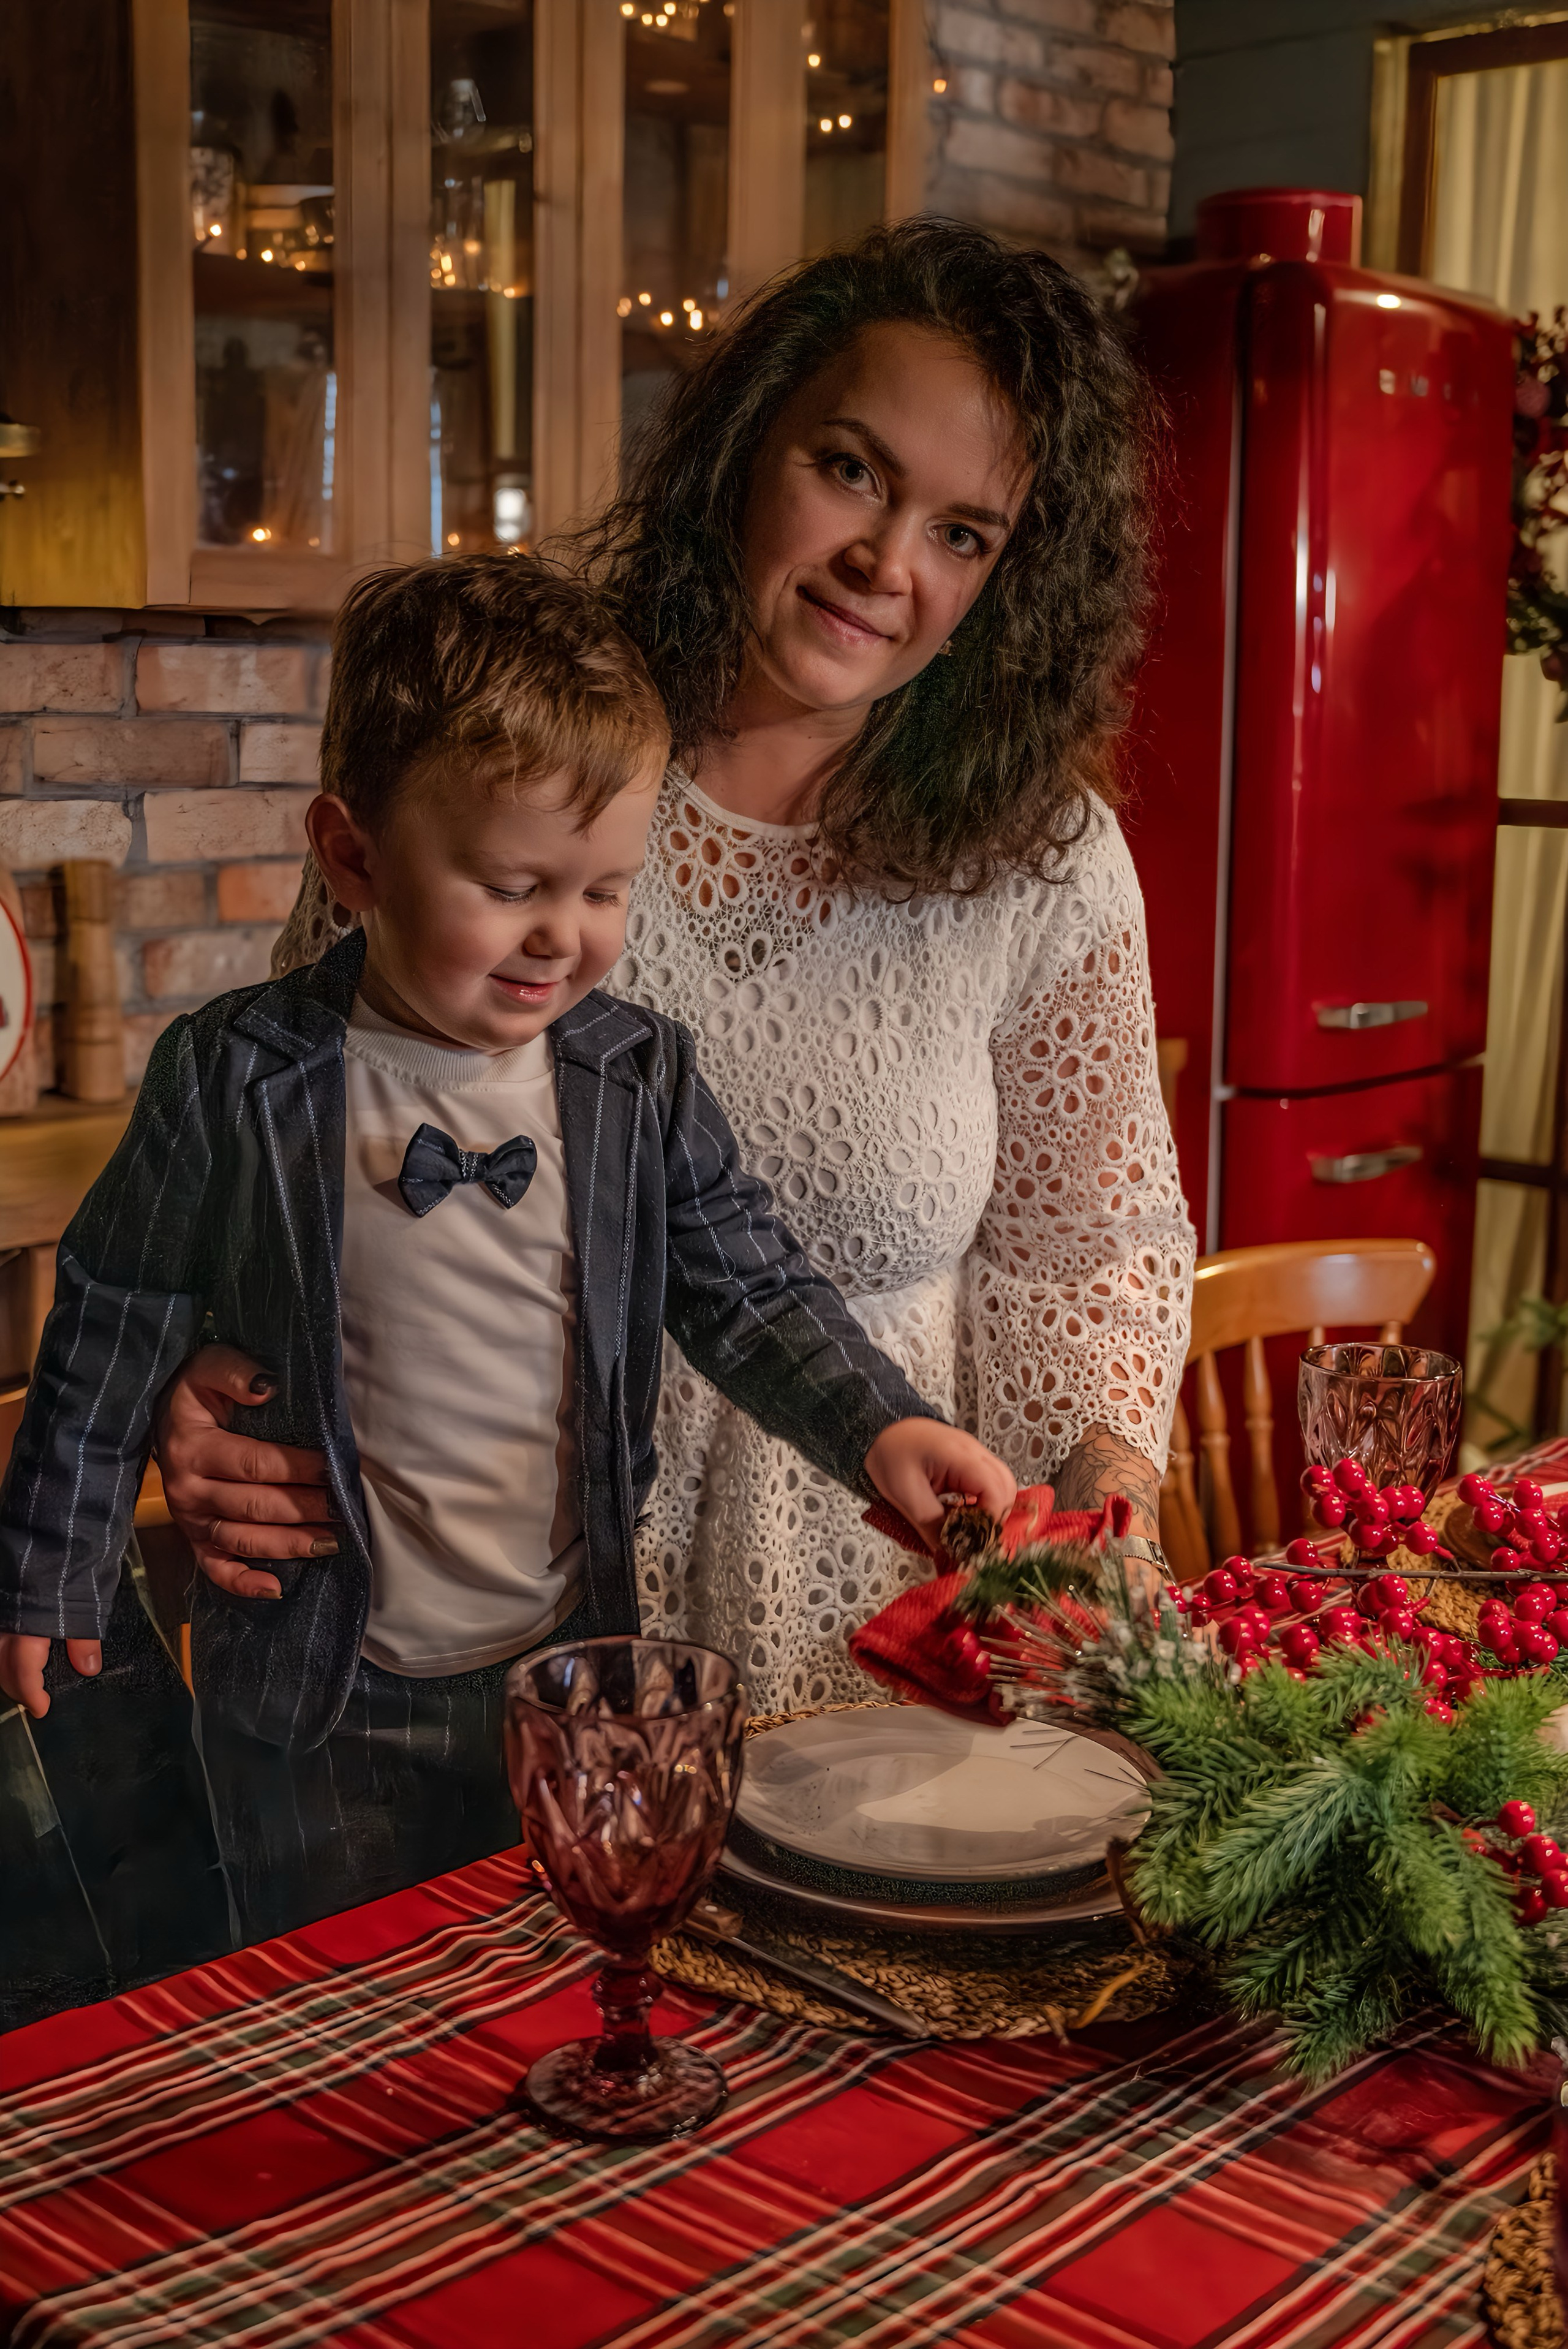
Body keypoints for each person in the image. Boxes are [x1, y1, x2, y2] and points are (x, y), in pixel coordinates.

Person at [154, 219, 1196, 1714]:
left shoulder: (1042, 857)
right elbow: (287, 1150)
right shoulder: (502, 740)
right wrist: (204, 1389)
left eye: (962, 534)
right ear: (745, 445)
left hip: (863, 1623)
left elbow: (1084, 1250)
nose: (884, 563)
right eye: (851, 469)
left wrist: (1104, 1490)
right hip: (474, 1604)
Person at [0, 558, 1014, 1940]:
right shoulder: (233, 1075)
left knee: (546, 1956)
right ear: (353, 856)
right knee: (337, 1988)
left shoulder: (638, 1079)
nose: (562, 938)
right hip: (321, 1690)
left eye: (604, 891)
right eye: (512, 884)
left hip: (565, 1672)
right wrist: (54, 1565)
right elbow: (115, 1313)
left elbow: (751, 1288)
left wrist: (882, 1426)